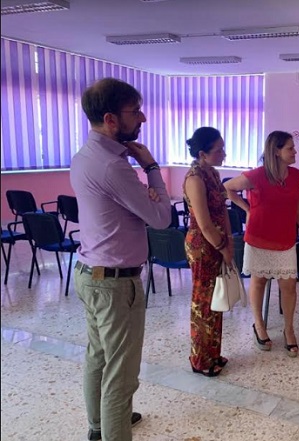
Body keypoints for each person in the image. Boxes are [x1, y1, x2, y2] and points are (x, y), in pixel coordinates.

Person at [70, 77, 172, 441]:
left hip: (90, 273)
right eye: (135, 111)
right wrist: (152, 168)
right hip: (114, 284)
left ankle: (100, 426)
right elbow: (161, 218)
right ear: (111, 119)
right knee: (122, 373)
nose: (142, 118)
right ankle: (112, 431)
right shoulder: (114, 167)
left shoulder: (85, 155)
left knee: (99, 355)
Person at [224, 130, 299, 357]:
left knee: (289, 285)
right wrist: (247, 210)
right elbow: (228, 188)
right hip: (259, 237)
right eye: (290, 148)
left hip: (285, 238)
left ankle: (289, 330)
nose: (295, 152)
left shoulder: (296, 176)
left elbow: (298, 205)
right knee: (259, 282)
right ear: (276, 151)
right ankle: (259, 325)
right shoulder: (257, 175)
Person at [183, 127, 234, 377]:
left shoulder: (213, 173)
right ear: (202, 154)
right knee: (203, 303)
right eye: (218, 150)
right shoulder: (194, 179)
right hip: (203, 246)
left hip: (218, 241)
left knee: (216, 300)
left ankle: (213, 353)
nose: (223, 154)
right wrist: (223, 248)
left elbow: (223, 211)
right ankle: (200, 360)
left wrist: (230, 241)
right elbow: (204, 224)